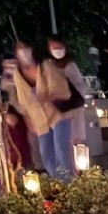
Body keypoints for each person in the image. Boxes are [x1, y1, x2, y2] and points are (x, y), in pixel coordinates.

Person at [12, 41, 74, 179]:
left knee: (62, 154)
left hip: (58, 115)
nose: (24, 53)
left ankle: (70, 187)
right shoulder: (18, 73)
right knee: (47, 157)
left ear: (32, 50)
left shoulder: (45, 66)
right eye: (20, 50)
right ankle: (59, 184)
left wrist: (45, 96)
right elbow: (23, 100)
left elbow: (61, 88)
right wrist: (28, 119)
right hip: (39, 120)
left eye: (26, 49)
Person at [47, 36, 88, 146]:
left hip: (72, 109)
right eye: (54, 48)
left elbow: (80, 87)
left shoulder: (70, 66)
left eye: (59, 47)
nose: (57, 50)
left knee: (75, 140)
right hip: (57, 110)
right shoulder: (49, 66)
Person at [5, 103, 32, 170]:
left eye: (12, 116)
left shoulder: (21, 124)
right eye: (7, 117)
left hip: (25, 158)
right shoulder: (5, 130)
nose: (11, 119)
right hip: (12, 161)